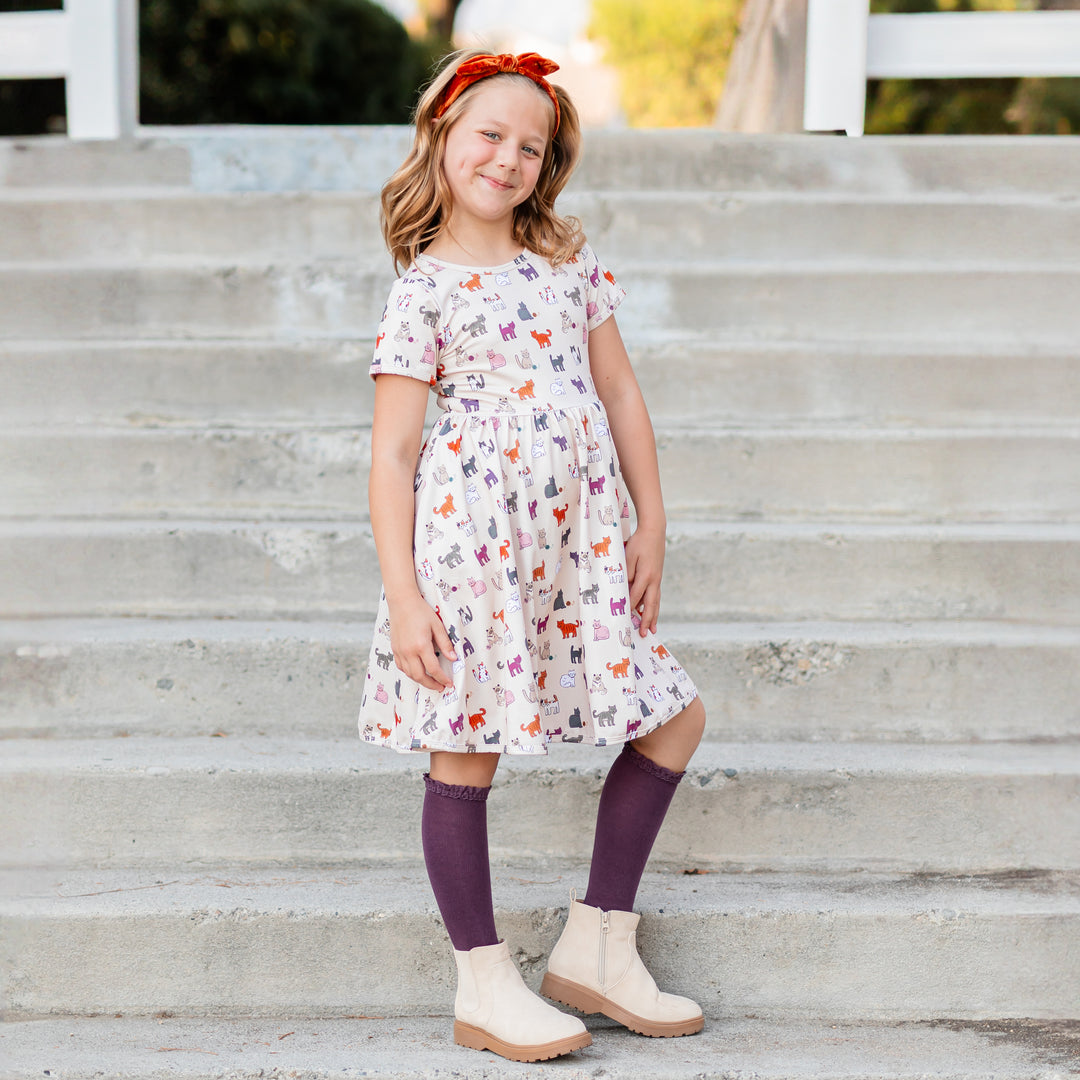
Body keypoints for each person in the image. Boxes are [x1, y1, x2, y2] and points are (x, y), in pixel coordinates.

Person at [357, 49, 707, 1063]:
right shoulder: (422, 292)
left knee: (674, 717)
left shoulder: (565, 265)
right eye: (489, 135)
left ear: (548, 166)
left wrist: (652, 523)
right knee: (466, 749)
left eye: (532, 146)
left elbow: (624, 397)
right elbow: (392, 451)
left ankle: (599, 944)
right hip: (473, 558)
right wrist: (405, 592)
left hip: (580, 552)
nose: (508, 158)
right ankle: (484, 982)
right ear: (442, 138)